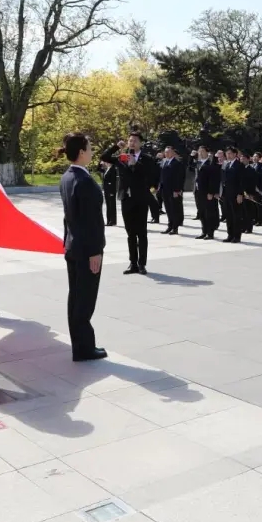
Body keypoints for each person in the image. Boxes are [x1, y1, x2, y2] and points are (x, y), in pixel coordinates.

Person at [59, 133, 107, 362]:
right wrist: (95, 251)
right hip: (86, 248)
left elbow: (69, 217)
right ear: (81, 152)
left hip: (73, 245)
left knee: (76, 297)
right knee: (85, 299)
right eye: (89, 147)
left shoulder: (67, 177)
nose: (91, 151)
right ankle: (84, 347)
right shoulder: (84, 181)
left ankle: (79, 344)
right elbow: (92, 221)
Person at [100, 132, 156, 274]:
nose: (132, 143)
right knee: (130, 233)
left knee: (142, 233)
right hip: (126, 199)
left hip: (141, 199)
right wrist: (115, 147)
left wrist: (136, 164)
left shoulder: (147, 159)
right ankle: (133, 263)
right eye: (130, 140)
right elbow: (104, 157)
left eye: (135, 141)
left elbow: (151, 174)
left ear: (140, 143)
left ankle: (142, 264)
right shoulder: (122, 157)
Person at [194, 146, 221, 239]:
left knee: (209, 213)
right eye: (199, 151)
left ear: (207, 152)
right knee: (201, 212)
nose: (200, 153)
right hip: (198, 192)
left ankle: (210, 233)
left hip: (207, 193)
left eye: (202, 151)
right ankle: (204, 231)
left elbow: (213, 180)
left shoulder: (211, 163)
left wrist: (211, 192)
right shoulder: (198, 163)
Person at [159, 146, 186, 235]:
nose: (167, 154)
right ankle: (170, 225)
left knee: (174, 209)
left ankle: (175, 227)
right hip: (164, 189)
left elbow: (179, 178)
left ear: (173, 153)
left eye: (169, 152)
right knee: (168, 209)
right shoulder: (164, 162)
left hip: (173, 190)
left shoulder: (177, 163)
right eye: (166, 152)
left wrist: (177, 190)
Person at [220, 147, 244, 243]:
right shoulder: (226, 164)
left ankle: (237, 236)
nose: (228, 155)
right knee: (228, 215)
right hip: (226, 193)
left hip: (235, 194)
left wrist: (240, 194)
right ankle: (230, 235)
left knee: (236, 216)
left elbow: (241, 181)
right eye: (227, 153)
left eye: (230, 153)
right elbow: (222, 179)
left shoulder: (239, 165)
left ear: (235, 154)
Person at [101, 160, 118, 226]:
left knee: (112, 206)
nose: (106, 163)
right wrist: (101, 163)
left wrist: (112, 191)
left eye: (107, 162)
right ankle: (109, 220)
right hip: (106, 190)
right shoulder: (107, 169)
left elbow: (113, 181)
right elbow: (98, 169)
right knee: (108, 205)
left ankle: (113, 221)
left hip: (111, 190)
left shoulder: (113, 169)